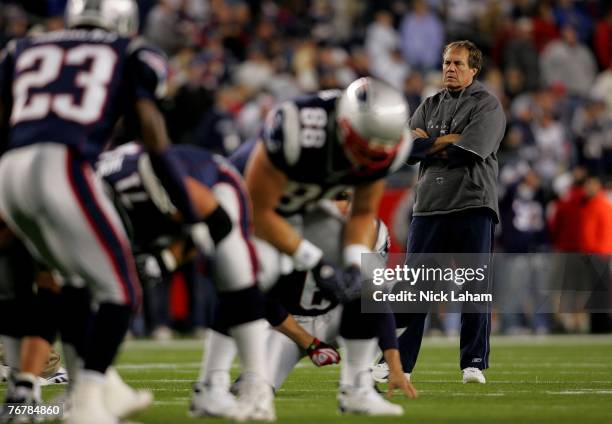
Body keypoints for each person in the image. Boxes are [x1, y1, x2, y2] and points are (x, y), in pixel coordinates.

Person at [0, 1, 198, 422]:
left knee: (48, 282)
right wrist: (190, 211)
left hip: (9, 169)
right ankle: (87, 404)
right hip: (64, 165)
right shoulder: (130, 51)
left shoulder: (23, 48)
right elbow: (154, 138)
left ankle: (23, 395)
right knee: (122, 289)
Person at [236, 77, 415, 415]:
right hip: (291, 324)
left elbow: (363, 216)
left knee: (371, 277)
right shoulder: (297, 129)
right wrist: (316, 263)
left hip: (333, 317)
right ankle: (218, 382)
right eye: (337, 196)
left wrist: (394, 362)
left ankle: (358, 385)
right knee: (253, 274)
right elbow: (259, 214)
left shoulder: (392, 148)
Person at [386, 40, 506, 384]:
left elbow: (468, 151)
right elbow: (406, 150)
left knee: (474, 287)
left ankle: (473, 361)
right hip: (428, 207)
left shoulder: (488, 105)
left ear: (473, 69)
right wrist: (446, 140)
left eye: (457, 63)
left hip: (472, 202)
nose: (449, 69)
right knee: (413, 289)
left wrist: (429, 143)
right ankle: (398, 363)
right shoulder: (429, 103)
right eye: (446, 63)